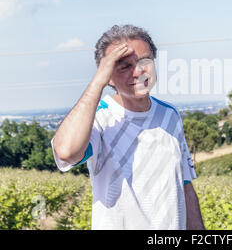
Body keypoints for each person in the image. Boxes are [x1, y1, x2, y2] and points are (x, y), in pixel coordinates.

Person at [51, 24, 205, 230]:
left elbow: (184, 185)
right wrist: (97, 81)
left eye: (145, 61)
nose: (139, 71)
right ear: (108, 77)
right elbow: (66, 151)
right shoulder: (99, 118)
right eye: (124, 66)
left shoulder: (170, 115)